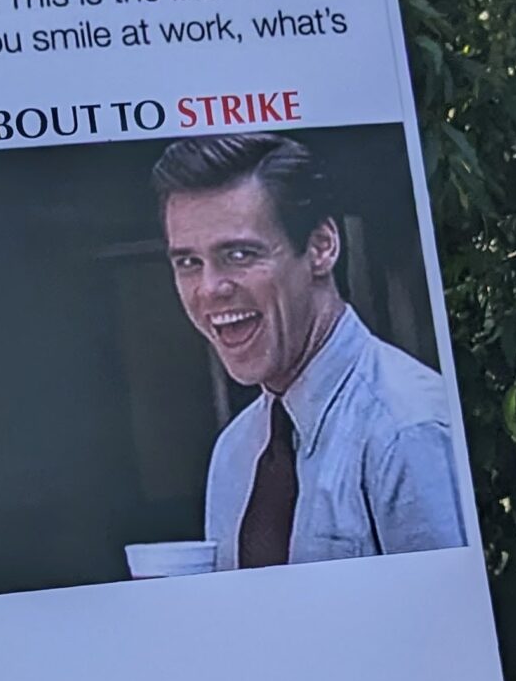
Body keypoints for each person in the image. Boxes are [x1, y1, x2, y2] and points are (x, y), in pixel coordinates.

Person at [151, 133, 463, 570]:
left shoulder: (408, 428)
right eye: (188, 263)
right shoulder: (233, 455)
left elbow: (450, 627)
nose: (210, 289)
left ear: (321, 248)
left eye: (239, 254)